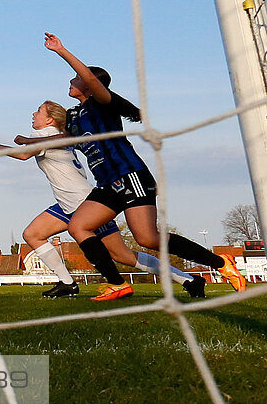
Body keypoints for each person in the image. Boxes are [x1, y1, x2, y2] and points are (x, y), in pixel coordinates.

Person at [40, 32, 246, 300]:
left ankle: (221, 263)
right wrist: (21, 143)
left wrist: (61, 50)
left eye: (76, 78)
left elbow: (90, 78)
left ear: (91, 85)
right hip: (107, 183)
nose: (72, 80)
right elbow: (66, 138)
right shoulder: (76, 115)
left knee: (148, 239)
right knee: (78, 226)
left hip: (129, 176)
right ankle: (117, 283)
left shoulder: (102, 104)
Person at [0, 100, 205, 299]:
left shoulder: (45, 134)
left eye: (39, 111)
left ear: (50, 120)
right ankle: (67, 283)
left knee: (121, 255)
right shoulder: (52, 134)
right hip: (67, 204)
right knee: (33, 234)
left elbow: (22, 154)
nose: (34, 114)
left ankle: (188, 280)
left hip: (83, 203)